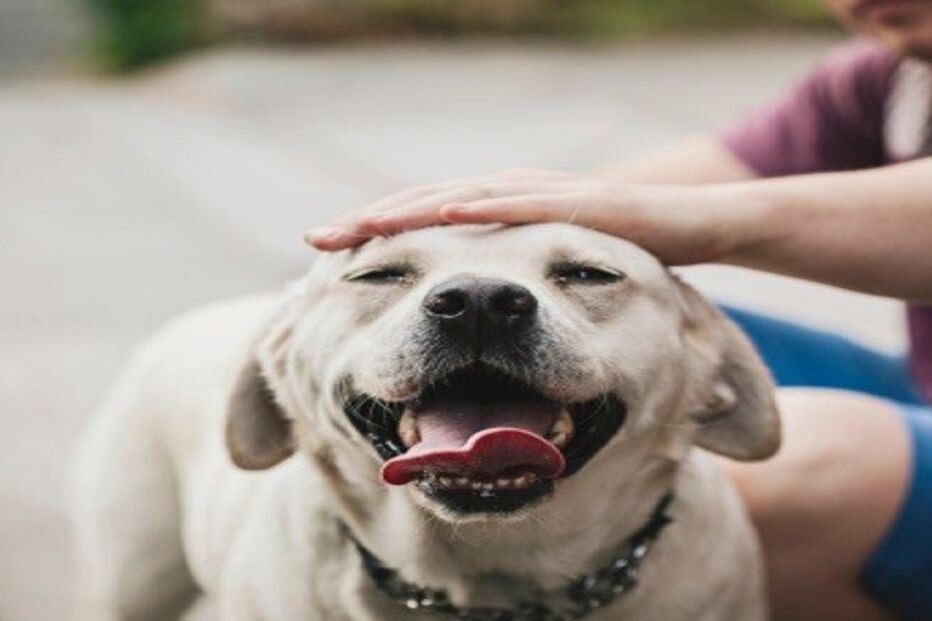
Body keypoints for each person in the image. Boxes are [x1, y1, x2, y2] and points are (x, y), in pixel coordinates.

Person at [307, 1, 932, 619]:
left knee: (794, 476)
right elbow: (592, 206)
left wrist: (716, 222)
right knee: (635, 316)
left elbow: (681, 209)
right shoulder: (889, 79)